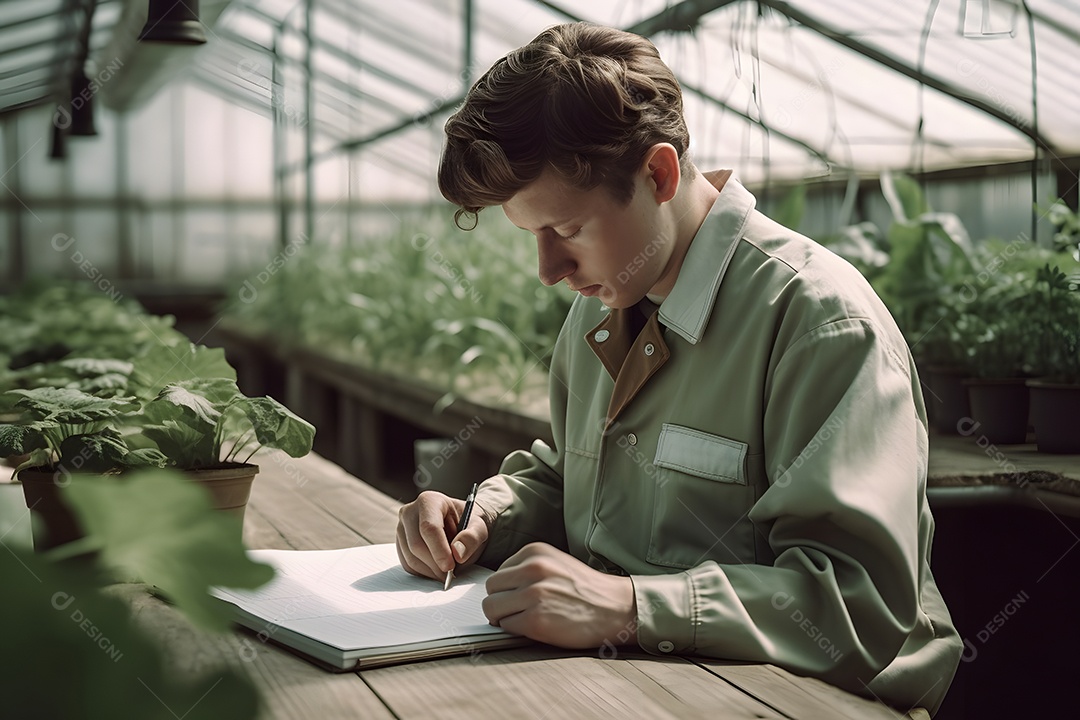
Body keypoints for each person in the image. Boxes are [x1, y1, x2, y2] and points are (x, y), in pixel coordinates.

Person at [395, 22, 962, 715]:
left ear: (658, 174)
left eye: (567, 230)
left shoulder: (820, 323)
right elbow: (577, 478)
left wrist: (631, 606)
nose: (548, 271)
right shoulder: (604, 303)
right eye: (532, 236)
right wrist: (484, 517)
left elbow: (852, 607)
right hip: (641, 686)